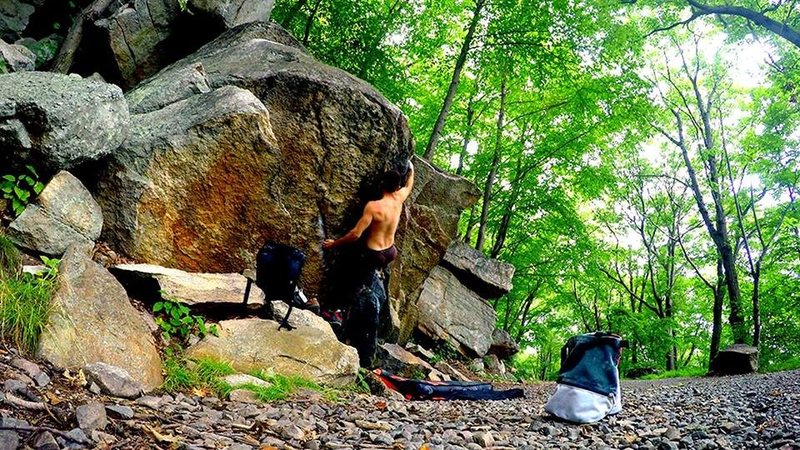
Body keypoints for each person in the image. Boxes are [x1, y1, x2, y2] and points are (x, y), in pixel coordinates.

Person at [323, 160, 414, 367]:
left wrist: (333, 244)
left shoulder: (374, 206)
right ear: (397, 187)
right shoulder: (399, 199)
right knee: (374, 287)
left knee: (351, 272)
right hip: (390, 252)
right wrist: (410, 168)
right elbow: (410, 184)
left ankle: (339, 312)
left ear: (382, 185)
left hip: (373, 255)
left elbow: (355, 234)